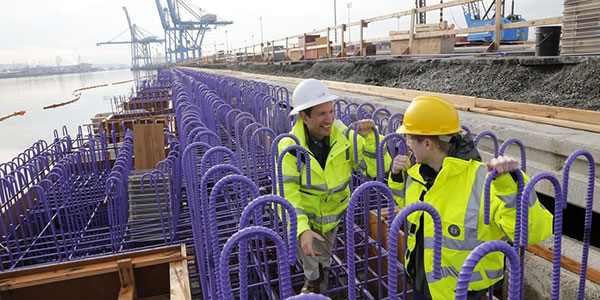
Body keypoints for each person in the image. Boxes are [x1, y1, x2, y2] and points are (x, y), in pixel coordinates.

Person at [388, 95, 553, 300]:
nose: (407, 143)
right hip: (422, 285)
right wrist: (396, 176)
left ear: (428, 144)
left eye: (411, 138)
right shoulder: (418, 174)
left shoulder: (484, 181)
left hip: (462, 294)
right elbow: (408, 207)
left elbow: (530, 234)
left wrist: (509, 185)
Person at [278, 78, 390, 294]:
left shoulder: (345, 138)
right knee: (312, 262)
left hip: (333, 216)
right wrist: (301, 230)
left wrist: (370, 141)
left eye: (331, 112)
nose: (329, 119)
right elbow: (287, 194)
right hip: (306, 217)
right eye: (321, 114)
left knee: (324, 258)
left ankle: (320, 275)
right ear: (304, 116)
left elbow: (377, 169)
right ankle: (313, 281)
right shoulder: (290, 148)